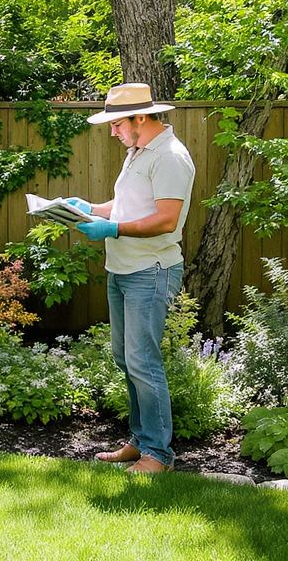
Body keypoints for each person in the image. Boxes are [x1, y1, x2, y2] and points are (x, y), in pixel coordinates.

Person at [66, 83, 195, 474]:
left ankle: (159, 455)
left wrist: (112, 229)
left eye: (117, 123)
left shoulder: (170, 157)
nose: (112, 131)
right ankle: (140, 442)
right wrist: (90, 208)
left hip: (150, 272)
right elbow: (124, 206)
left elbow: (166, 219)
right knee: (127, 359)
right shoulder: (136, 152)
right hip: (121, 270)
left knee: (144, 361)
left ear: (141, 118)